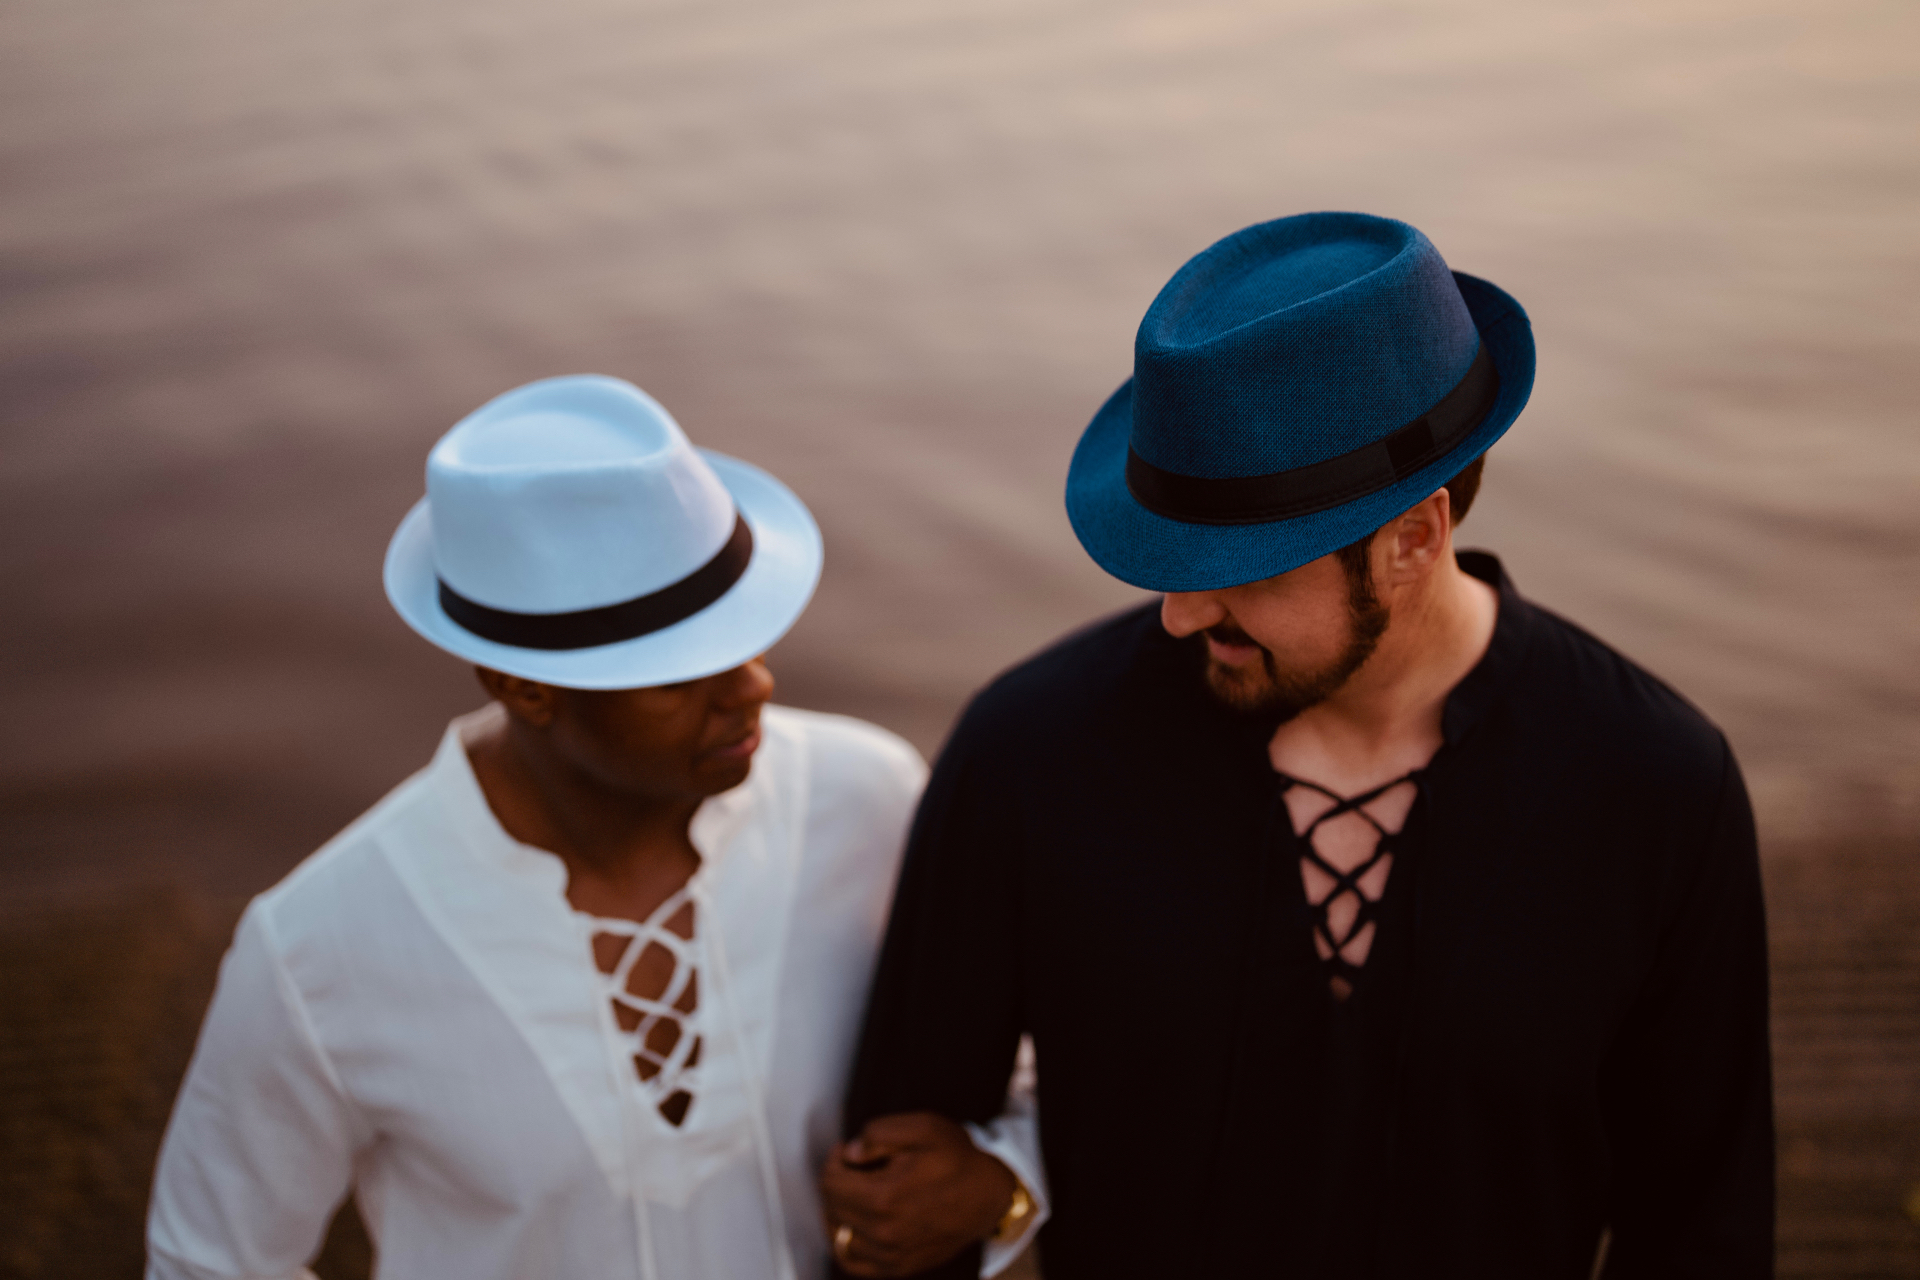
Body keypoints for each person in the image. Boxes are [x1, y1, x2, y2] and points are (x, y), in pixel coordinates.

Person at [822, 213, 1774, 1278]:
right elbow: (902, 1179)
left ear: (1413, 536)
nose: (1179, 616)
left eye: (1248, 565)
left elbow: (1702, 1218)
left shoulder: (1655, 786)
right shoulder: (1030, 753)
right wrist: (993, 1193)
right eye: (1172, 556)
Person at [145, 375, 1045, 1280]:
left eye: (745, 635)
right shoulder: (319, 950)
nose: (753, 689)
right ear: (524, 688)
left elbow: (1045, 1062)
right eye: (677, 671)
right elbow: (209, 1262)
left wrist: (1000, 1185)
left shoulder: (865, 801)